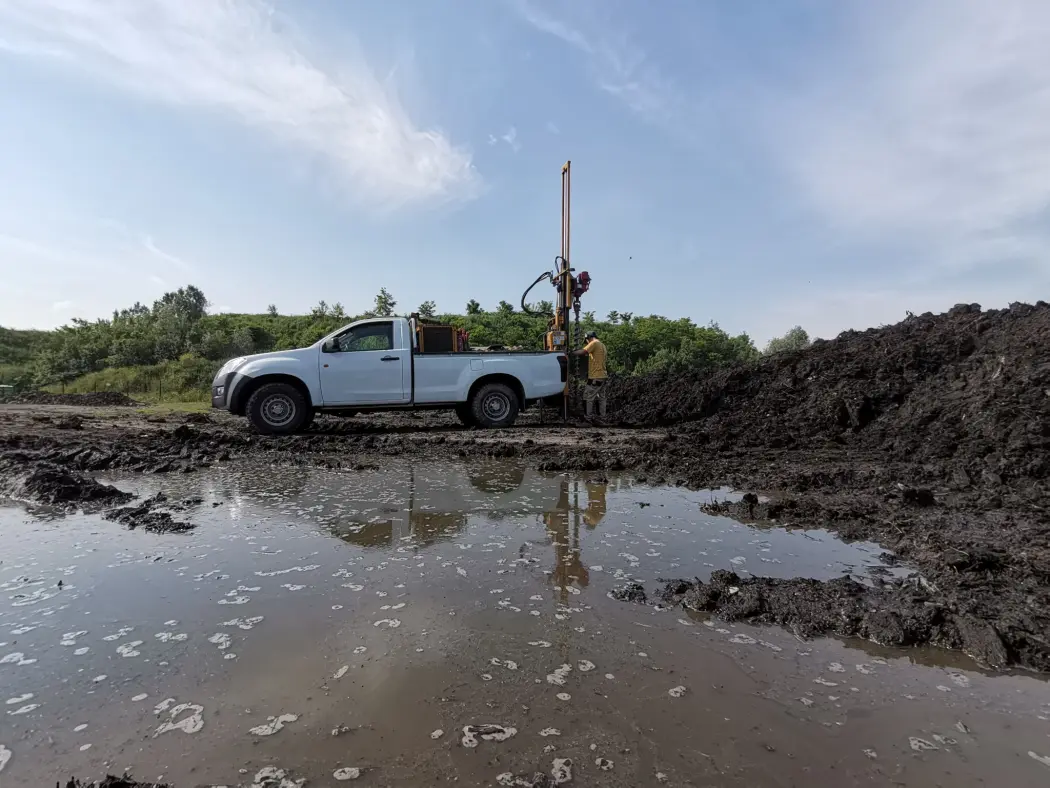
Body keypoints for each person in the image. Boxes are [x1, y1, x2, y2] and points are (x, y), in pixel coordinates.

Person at [573, 330, 608, 418]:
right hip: (602, 375)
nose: (587, 343)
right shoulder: (602, 345)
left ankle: (588, 418)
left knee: (588, 396)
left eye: (587, 341)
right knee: (601, 397)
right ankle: (602, 417)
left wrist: (570, 353)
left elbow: (583, 352)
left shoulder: (594, 343)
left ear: (589, 338)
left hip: (595, 376)